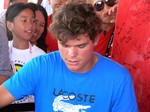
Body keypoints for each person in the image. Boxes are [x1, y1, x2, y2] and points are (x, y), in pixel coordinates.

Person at [0, 2, 138, 111]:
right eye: (65, 45)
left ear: (95, 39)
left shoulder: (118, 78)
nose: (72, 55)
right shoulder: (41, 66)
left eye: (81, 46)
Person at [5, 2, 45, 104]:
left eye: (33, 21)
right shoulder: (3, 50)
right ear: (10, 25)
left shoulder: (41, 56)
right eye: (24, 20)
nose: (31, 25)